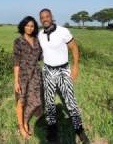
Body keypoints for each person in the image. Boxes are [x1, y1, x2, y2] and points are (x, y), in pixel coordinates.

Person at [38, 8, 90, 143]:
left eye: (47, 16)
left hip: (63, 70)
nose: (45, 19)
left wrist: (76, 66)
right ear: (40, 19)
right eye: (42, 17)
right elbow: (42, 52)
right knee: (49, 102)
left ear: (51, 17)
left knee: (70, 102)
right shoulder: (40, 34)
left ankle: (79, 130)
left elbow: (74, 47)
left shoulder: (63, 31)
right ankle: (52, 129)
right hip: (48, 71)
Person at [13, 16, 44, 140]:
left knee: (34, 99)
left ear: (34, 27)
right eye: (27, 25)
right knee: (21, 100)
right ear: (23, 26)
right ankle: (21, 126)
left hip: (35, 75)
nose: (29, 28)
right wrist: (16, 81)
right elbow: (16, 62)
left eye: (32, 26)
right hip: (23, 76)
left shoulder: (37, 41)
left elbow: (41, 57)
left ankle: (26, 121)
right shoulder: (18, 41)